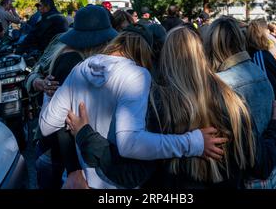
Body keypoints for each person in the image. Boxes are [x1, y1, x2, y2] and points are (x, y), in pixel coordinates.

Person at [66, 26, 276, 189]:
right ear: (202, 55)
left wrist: (85, 134)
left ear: (166, 58)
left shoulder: (157, 105)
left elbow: (130, 174)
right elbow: (261, 164)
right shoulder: (233, 102)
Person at [39, 24, 224, 189]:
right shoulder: (137, 74)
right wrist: (193, 143)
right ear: (144, 51)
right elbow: (130, 144)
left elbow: (46, 125)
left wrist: (49, 94)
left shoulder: (80, 69)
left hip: (84, 181)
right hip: (115, 184)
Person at [34, 5, 118, 189]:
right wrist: (74, 169)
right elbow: (65, 118)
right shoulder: (71, 61)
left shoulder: (81, 60)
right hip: (59, 158)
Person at [206, 16, 276, 188]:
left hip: (242, 175)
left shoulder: (219, 85)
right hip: (270, 172)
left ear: (212, 45)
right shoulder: (259, 72)